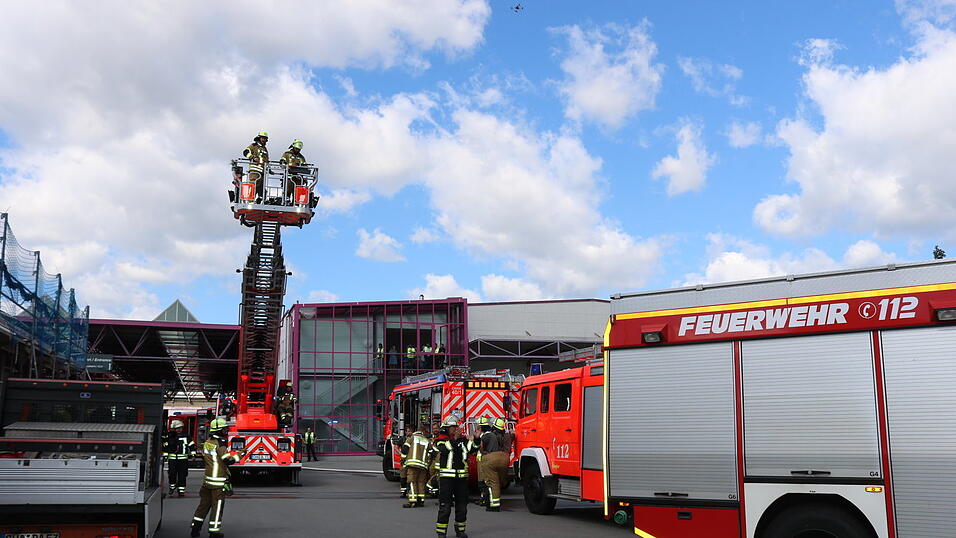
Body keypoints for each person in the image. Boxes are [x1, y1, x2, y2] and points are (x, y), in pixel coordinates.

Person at [191, 418, 245, 538]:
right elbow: (228, 460)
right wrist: (240, 454)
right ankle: (214, 532)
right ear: (219, 430)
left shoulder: (208, 442)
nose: (226, 431)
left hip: (207, 481)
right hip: (218, 482)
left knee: (203, 506)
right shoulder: (220, 443)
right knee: (217, 507)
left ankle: (195, 529)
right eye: (224, 429)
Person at [428, 417, 478, 538]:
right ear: (446, 428)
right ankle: (441, 532)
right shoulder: (440, 440)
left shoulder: (463, 440)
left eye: (456, 427)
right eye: (453, 427)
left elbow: (474, 448)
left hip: (461, 478)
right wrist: (455, 440)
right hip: (447, 479)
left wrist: (476, 438)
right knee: (445, 506)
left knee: (462, 506)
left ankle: (460, 530)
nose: (456, 429)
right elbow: (444, 450)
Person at [479, 418, 511, 511]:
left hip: (491, 458)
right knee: (499, 482)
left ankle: (493, 504)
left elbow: (480, 445)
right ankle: (495, 500)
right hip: (505, 459)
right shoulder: (508, 436)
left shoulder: (490, 435)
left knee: (492, 482)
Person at [163, 419, 196, 497]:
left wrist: (193, 454)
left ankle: (181, 490)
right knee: (171, 474)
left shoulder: (186, 436)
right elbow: (165, 447)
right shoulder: (169, 436)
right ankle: (172, 487)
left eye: (180, 428)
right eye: (178, 428)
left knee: (182, 475)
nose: (179, 430)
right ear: (173, 429)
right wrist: (165, 456)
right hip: (172, 459)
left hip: (183, 459)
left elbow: (191, 445)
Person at [401, 427, 431, 508]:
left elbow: (404, 449)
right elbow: (433, 452)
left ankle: (412, 501)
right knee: (421, 482)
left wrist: (403, 460)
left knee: (412, 482)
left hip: (412, 465)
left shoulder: (412, 438)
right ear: (423, 432)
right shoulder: (426, 440)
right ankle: (421, 500)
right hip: (423, 466)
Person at [242, 131, 269, 202]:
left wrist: (269, 169)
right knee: (253, 186)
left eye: (265, 139)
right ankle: (250, 201)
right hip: (254, 172)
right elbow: (245, 152)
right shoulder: (254, 146)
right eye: (263, 138)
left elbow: (266, 160)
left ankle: (259, 200)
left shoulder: (264, 149)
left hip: (262, 172)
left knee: (262, 189)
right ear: (259, 138)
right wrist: (252, 157)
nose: (264, 140)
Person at [279, 139, 307, 203]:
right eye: (297, 148)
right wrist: (286, 167)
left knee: (297, 192)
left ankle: (295, 202)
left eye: (299, 149)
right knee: (288, 188)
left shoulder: (301, 157)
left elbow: (305, 167)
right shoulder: (287, 154)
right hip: (288, 176)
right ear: (293, 147)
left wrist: (305, 178)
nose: (298, 150)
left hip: (298, 178)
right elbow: (281, 163)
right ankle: (286, 199)